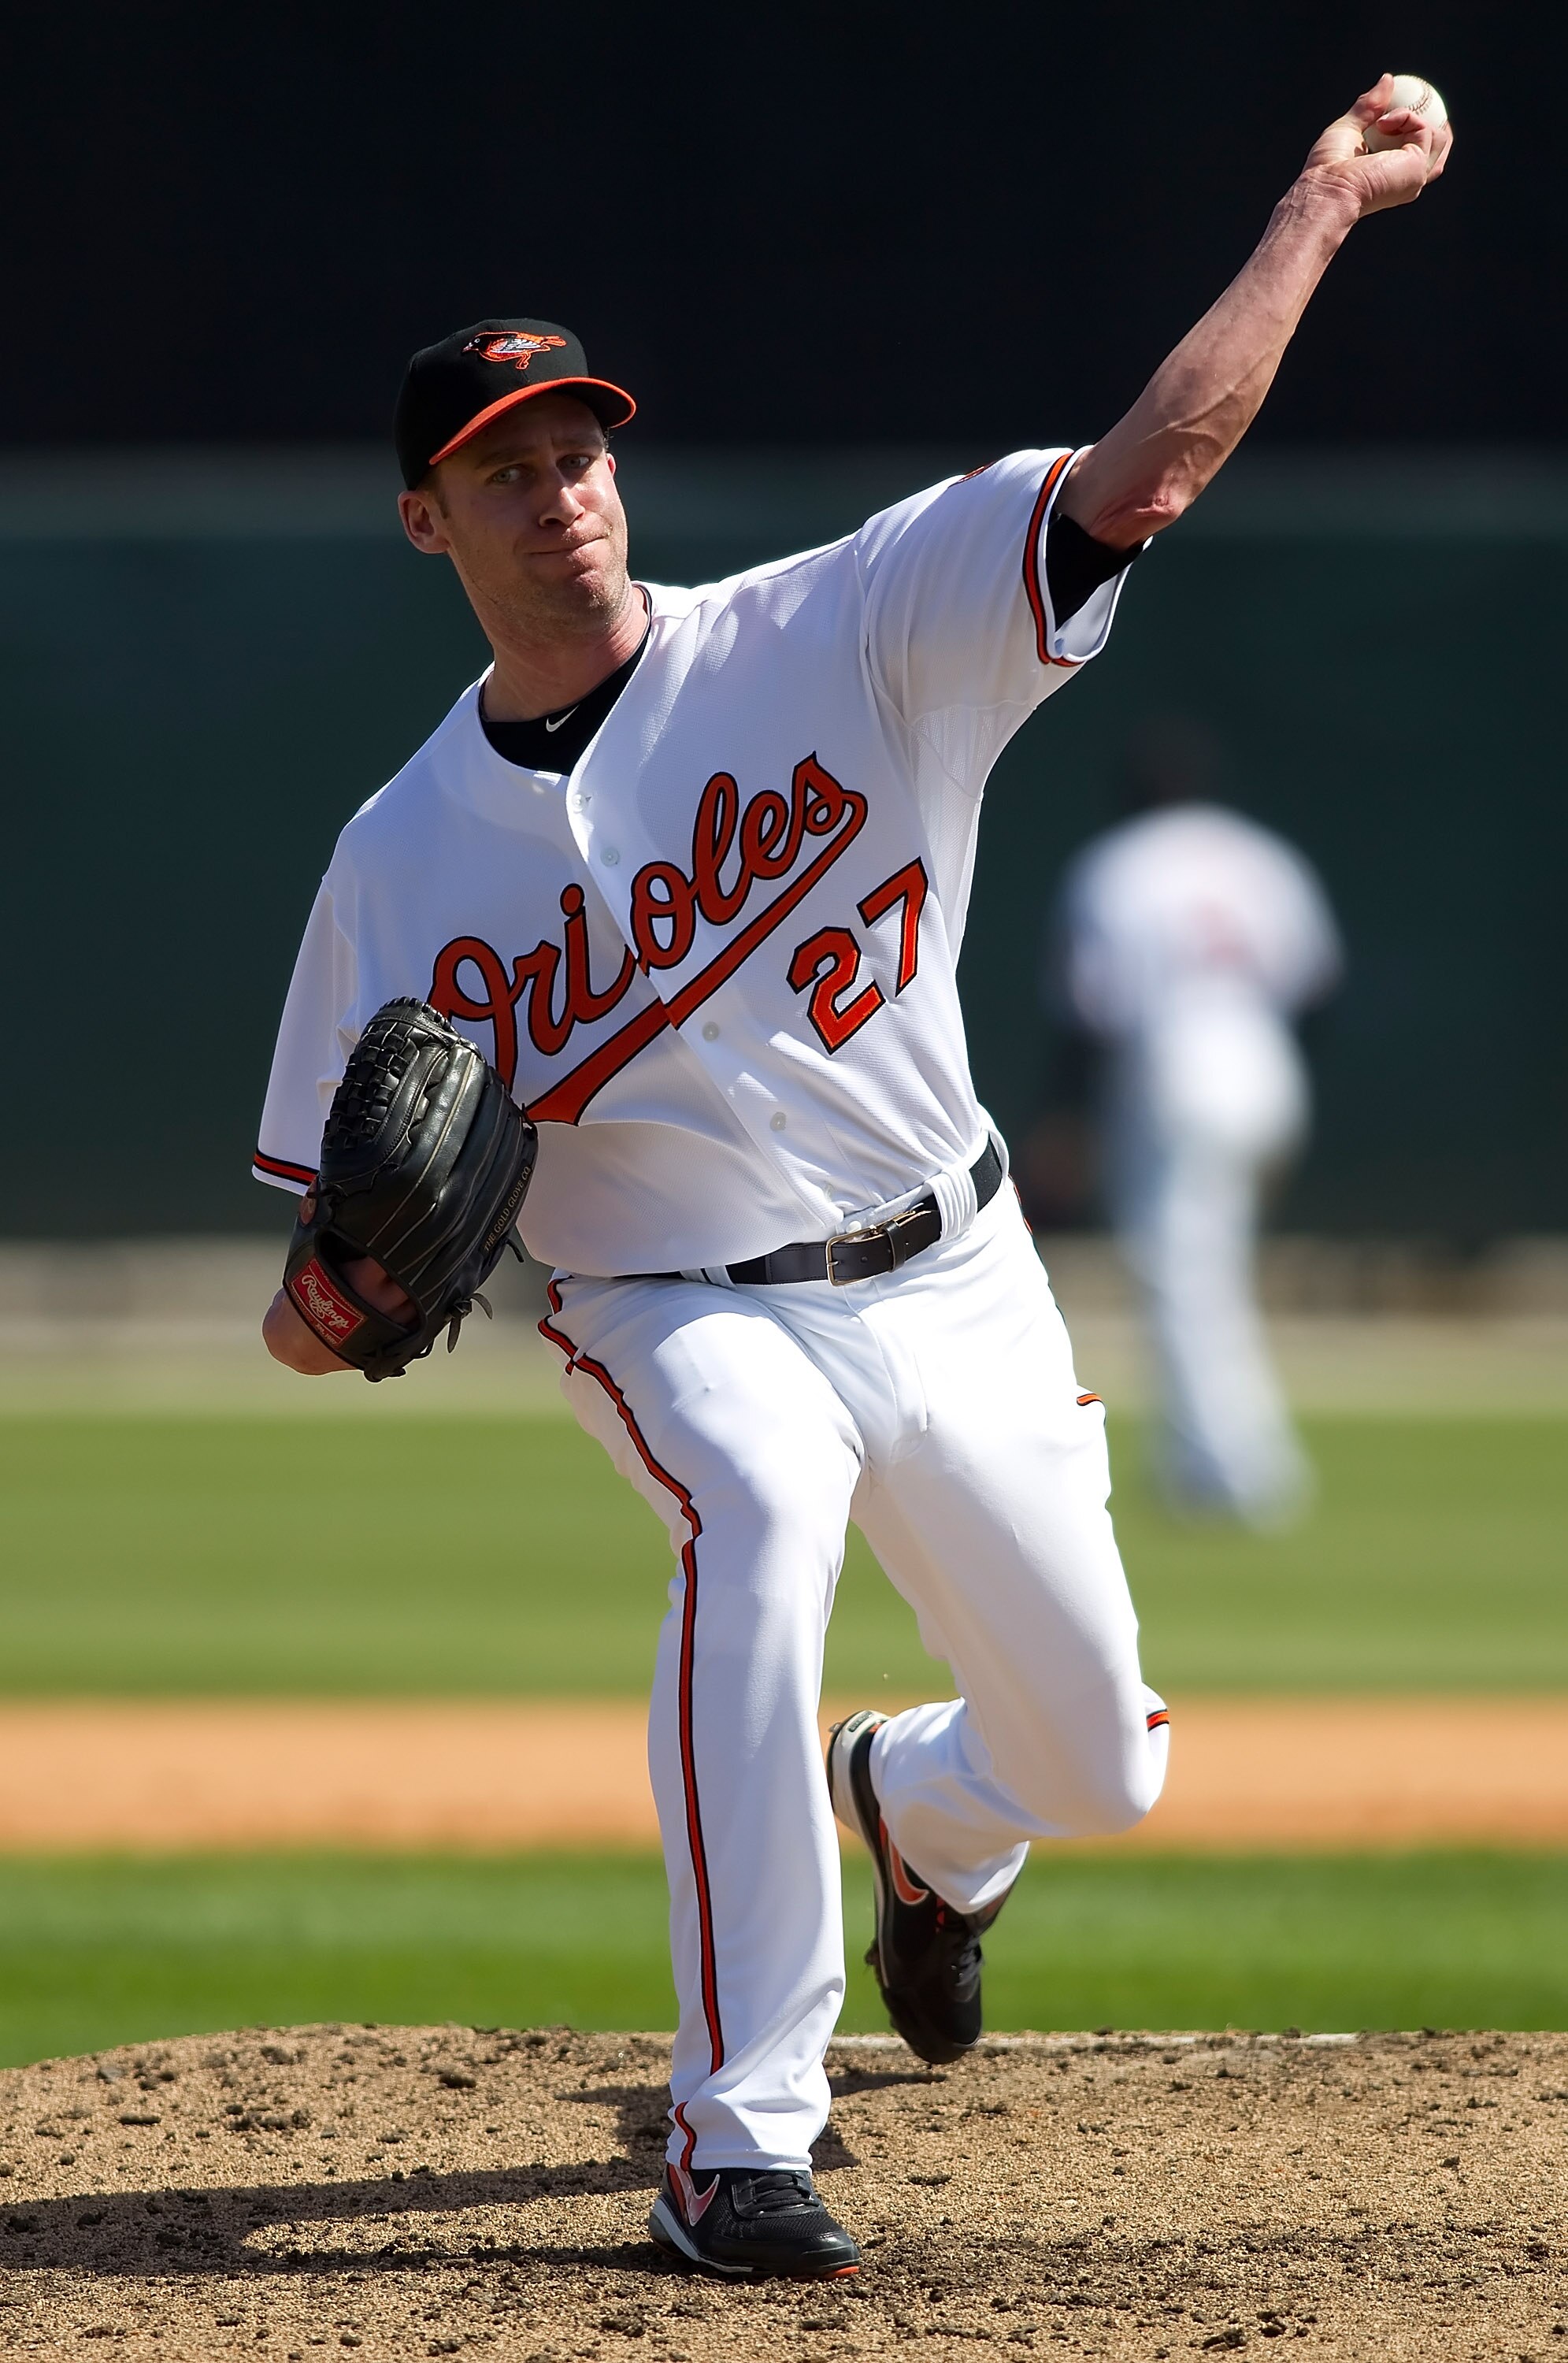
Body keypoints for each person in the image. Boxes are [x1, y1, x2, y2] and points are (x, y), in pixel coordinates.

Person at [254, 81, 1450, 2280]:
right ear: (427, 524)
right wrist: (339, 1298)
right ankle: (735, 2133)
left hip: (959, 1270)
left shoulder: (844, 630)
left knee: (1097, 1769)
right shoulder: (393, 862)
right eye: (497, 474)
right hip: (677, 1308)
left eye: (575, 453)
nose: (556, 499)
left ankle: (908, 1803)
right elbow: (313, 1284)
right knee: (756, 1512)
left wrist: (1308, 212)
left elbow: (1143, 476)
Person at [1047, 728, 1343, 1525]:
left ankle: (1234, 1472)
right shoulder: (1258, 856)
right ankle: (1198, 1456)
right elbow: (1317, 988)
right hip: (1267, 1063)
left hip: (1177, 1070)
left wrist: (1066, 1119)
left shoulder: (1114, 868)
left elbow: (1088, 1015)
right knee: (1210, 1272)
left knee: (1183, 1276)